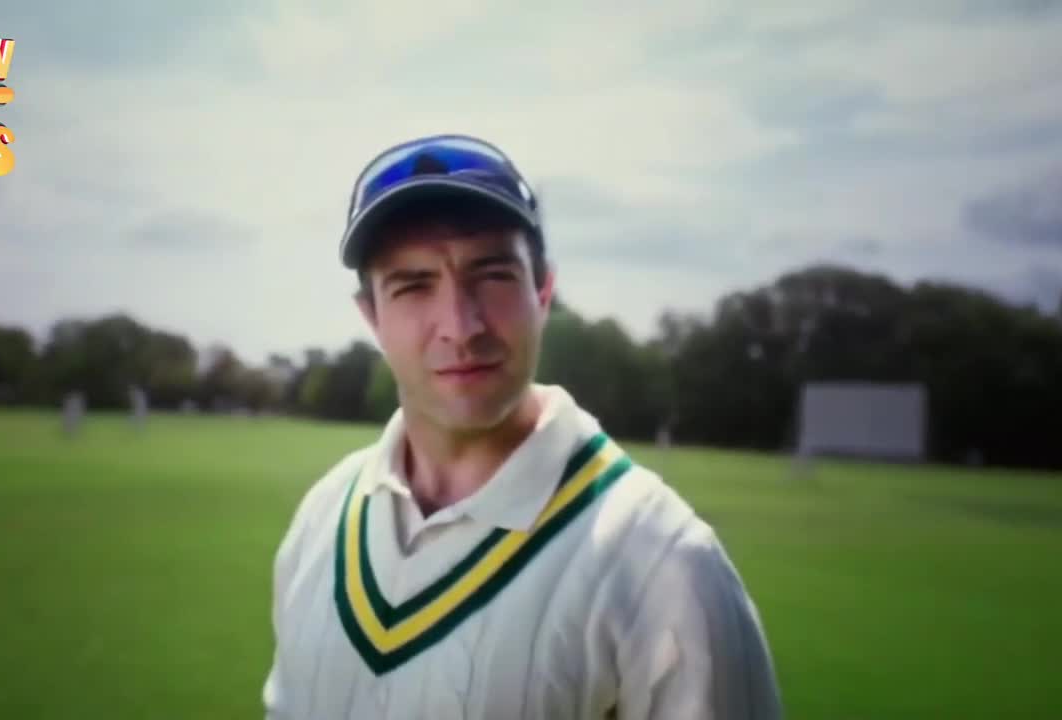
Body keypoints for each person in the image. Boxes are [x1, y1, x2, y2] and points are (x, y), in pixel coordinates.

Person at [262, 134, 782, 719]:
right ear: (371, 317)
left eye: (492, 275)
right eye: (413, 285)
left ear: (544, 291)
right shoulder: (321, 519)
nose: (460, 325)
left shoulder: (664, 564)